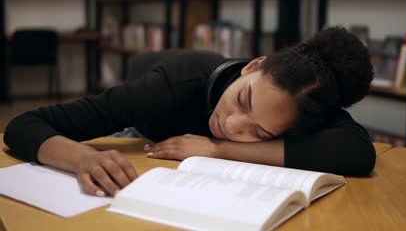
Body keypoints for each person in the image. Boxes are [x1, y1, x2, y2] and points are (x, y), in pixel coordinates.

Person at [4, 26, 375, 197]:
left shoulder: (301, 110)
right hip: (138, 146)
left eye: (259, 133)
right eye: (243, 100)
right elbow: (22, 126)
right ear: (252, 66)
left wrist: (219, 150)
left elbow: (358, 152)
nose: (230, 125)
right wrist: (82, 158)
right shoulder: (172, 86)